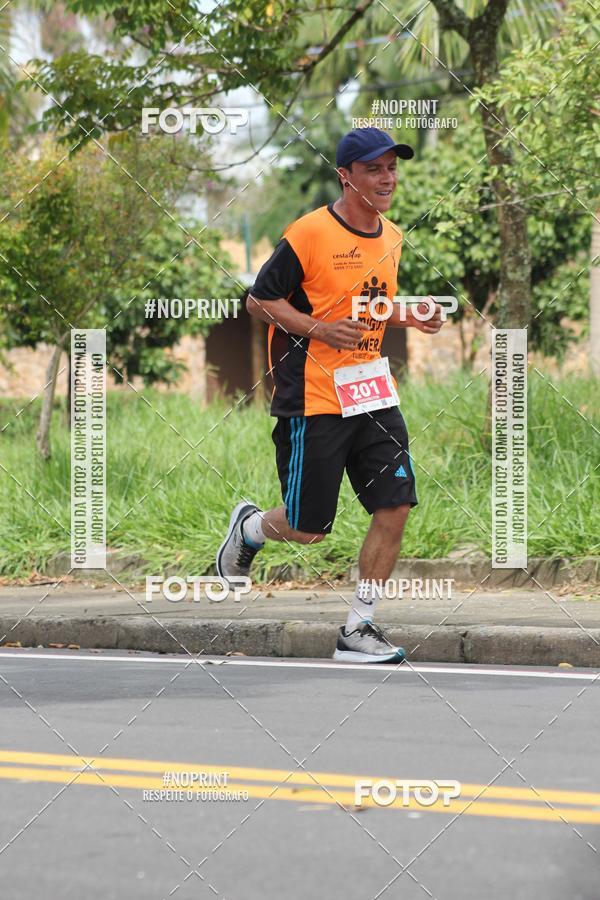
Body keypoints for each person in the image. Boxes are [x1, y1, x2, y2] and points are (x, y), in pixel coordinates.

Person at [216, 127, 444, 663]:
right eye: (373, 169)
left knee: (395, 506)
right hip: (312, 396)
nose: (386, 178)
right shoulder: (309, 233)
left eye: (391, 168)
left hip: (371, 393)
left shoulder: (391, 236)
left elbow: (366, 307)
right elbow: (259, 302)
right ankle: (250, 528)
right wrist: (318, 329)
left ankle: (358, 629)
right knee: (308, 528)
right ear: (345, 175)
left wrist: (408, 314)